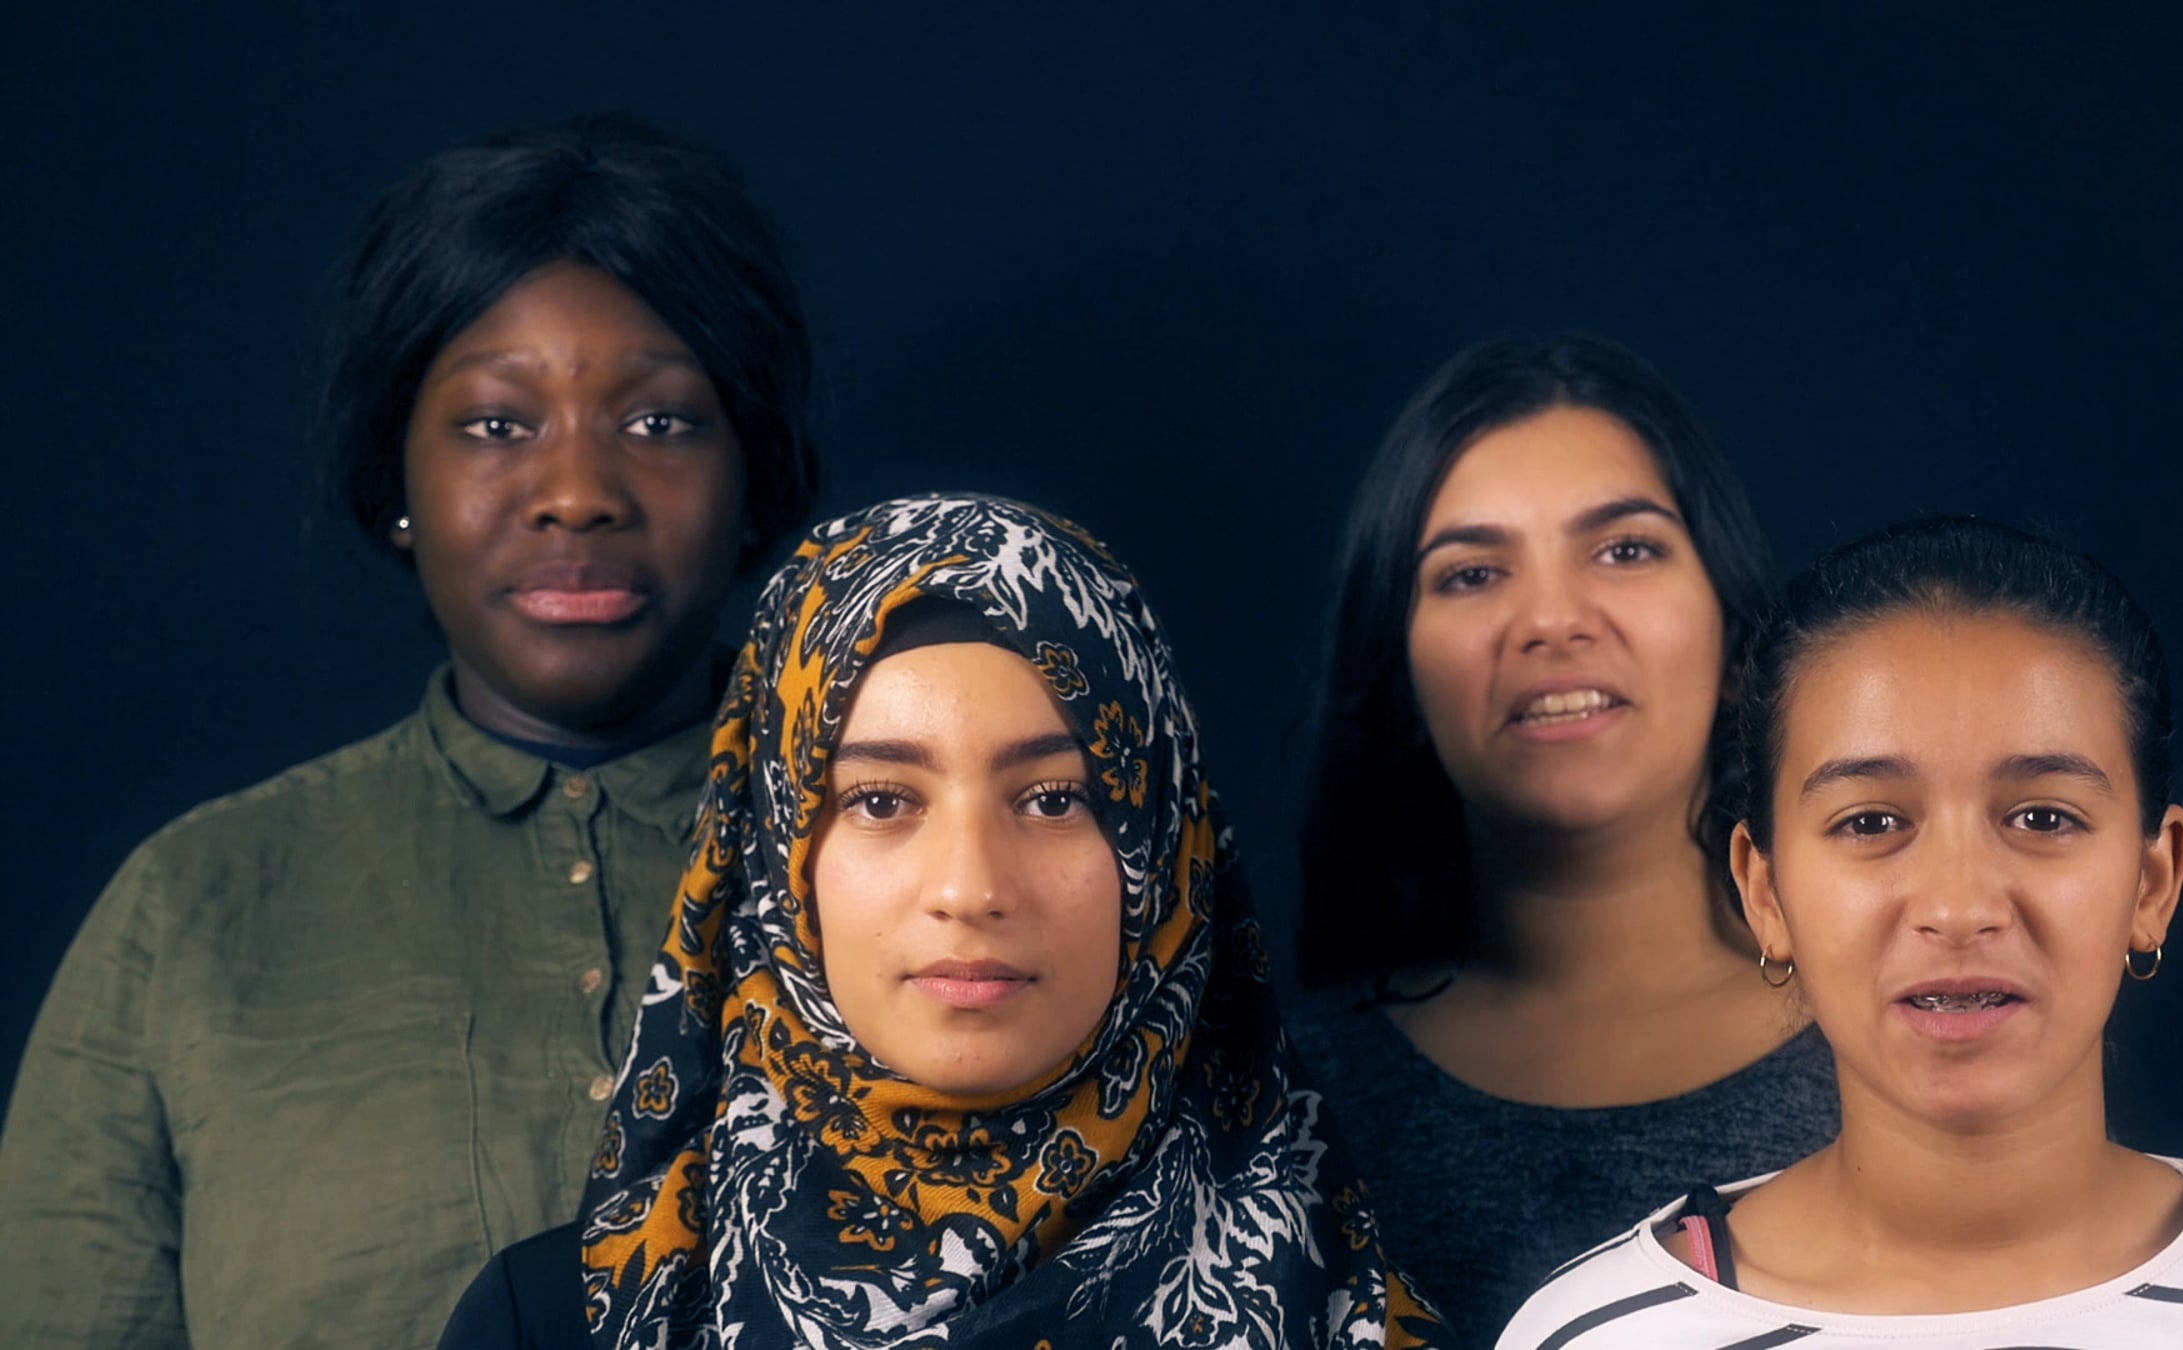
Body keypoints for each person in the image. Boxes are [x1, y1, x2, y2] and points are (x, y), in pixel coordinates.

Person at [0, 116, 816, 1349]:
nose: (577, 493)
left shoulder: (924, 870)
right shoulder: (194, 907)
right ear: (396, 486)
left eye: (659, 422)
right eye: (497, 424)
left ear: (754, 478)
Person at [437, 494, 1451, 1348]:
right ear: (776, 859)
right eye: (880, 801)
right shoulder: (555, 1322)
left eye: (1053, 799)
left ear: (1159, 853)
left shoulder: (1338, 1308)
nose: (969, 888)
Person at [1500, 516, 2183, 1347]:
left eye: (2043, 819)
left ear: (2152, 882)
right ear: (1764, 892)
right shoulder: (1592, 1336)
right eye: (1871, 822)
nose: (1960, 907)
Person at [1283, 333, 1839, 1342]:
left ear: (1733, 631)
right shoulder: (1284, 1098)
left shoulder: (1893, 1037)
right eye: (1471, 574)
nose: (1551, 619)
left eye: (1625, 550)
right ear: (1399, 672)